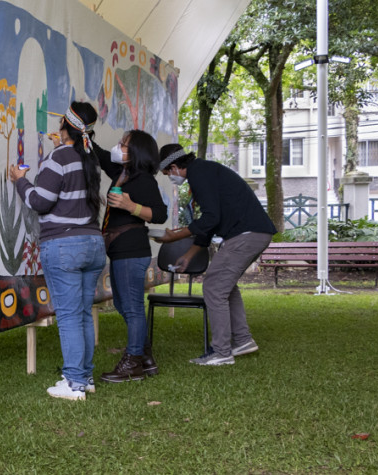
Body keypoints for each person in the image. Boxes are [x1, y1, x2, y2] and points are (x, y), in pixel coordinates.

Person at [9, 101, 106, 401]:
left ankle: (74, 384)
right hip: (92, 243)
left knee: (67, 315)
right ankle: (85, 377)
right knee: (82, 313)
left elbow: (40, 201)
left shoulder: (59, 157)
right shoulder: (89, 159)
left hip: (64, 245)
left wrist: (19, 181)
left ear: (65, 126)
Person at [155, 144, 277, 366]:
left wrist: (176, 235)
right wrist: (189, 254)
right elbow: (211, 223)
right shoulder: (204, 171)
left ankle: (222, 352)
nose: (170, 178)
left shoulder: (199, 174)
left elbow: (210, 218)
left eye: (167, 174)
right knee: (225, 286)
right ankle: (242, 341)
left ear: (174, 167)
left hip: (246, 234)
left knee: (213, 286)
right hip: (253, 232)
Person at [93, 130, 167, 382]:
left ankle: (133, 362)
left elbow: (159, 214)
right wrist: (82, 135)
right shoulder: (122, 174)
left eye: (123, 146)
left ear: (136, 152)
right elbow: (101, 156)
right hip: (119, 250)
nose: (118, 148)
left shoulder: (144, 180)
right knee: (125, 305)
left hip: (131, 250)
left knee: (132, 307)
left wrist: (129, 206)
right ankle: (145, 359)